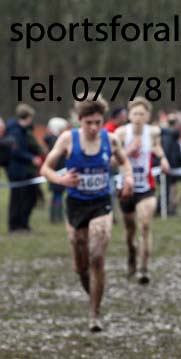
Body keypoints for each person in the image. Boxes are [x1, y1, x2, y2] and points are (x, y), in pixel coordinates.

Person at [41, 98, 134, 332]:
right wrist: (61, 179)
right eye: (89, 123)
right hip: (75, 205)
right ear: (79, 121)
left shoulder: (110, 139)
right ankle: (92, 293)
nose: (93, 128)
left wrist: (129, 179)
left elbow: (124, 162)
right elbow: (45, 168)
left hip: (101, 203)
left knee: (97, 256)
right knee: (81, 266)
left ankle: (95, 314)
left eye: (98, 122)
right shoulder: (67, 139)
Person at [115, 97, 170, 284]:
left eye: (142, 113)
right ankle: (131, 254)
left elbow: (157, 147)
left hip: (146, 187)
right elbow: (112, 162)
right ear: (129, 115)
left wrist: (163, 159)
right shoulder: (121, 133)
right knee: (130, 232)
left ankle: (144, 268)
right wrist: (128, 151)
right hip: (126, 188)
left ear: (148, 116)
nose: (138, 117)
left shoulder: (154, 132)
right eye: (135, 113)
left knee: (145, 225)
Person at [6, 103, 45, 233]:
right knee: (17, 199)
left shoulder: (23, 131)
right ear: (27, 117)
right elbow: (16, 151)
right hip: (16, 171)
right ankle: (14, 226)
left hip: (25, 170)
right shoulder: (16, 132)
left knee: (27, 198)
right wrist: (31, 158)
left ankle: (23, 224)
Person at [44, 117, 69, 224]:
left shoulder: (51, 139)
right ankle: (57, 217)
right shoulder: (56, 140)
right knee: (58, 195)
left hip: (55, 170)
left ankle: (55, 217)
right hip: (58, 171)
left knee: (56, 195)